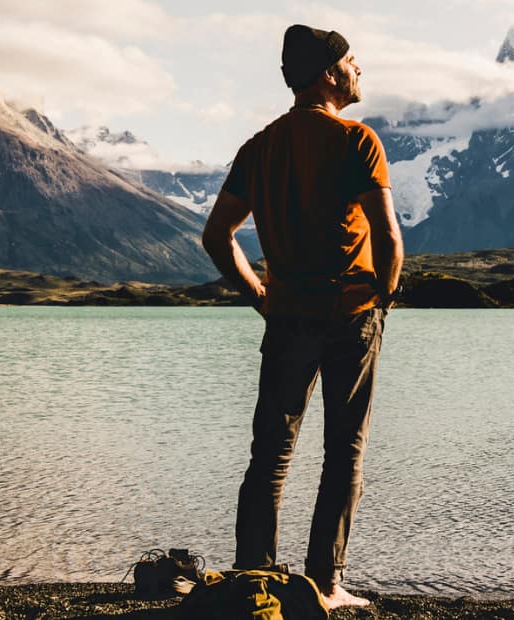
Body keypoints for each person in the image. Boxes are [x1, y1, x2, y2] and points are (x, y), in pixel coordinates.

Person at [202, 24, 404, 610]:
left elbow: (217, 237)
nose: (359, 71)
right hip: (350, 314)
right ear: (328, 74)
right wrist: (383, 301)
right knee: (344, 450)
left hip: (286, 318)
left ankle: (253, 579)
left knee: (270, 452)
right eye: (352, 62)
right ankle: (326, 584)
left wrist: (260, 294)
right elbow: (389, 236)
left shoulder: (259, 147)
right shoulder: (357, 140)